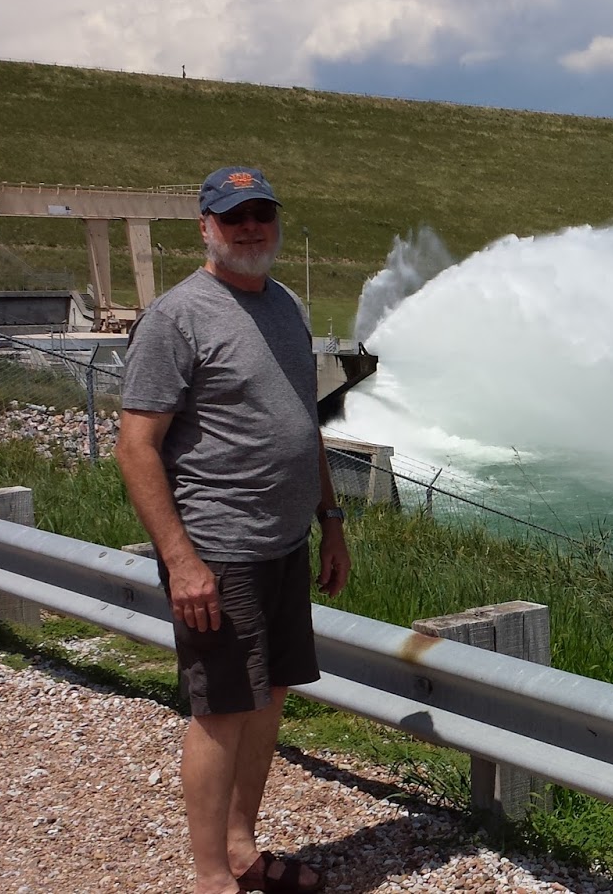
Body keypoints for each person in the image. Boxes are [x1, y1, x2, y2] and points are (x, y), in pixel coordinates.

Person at [116, 165, 350, 894]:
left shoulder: (284, 305)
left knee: (270, 694)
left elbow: (304, 422)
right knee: (222, 710)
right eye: (233, 216)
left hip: (286, 542)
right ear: (205, 227)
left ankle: (244, 849)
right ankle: (212, 877)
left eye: (262, 215)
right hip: (218, 549)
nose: (250, 228)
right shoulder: (177, 316)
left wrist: (330, 518)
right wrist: (181, 561)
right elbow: (136, 445)